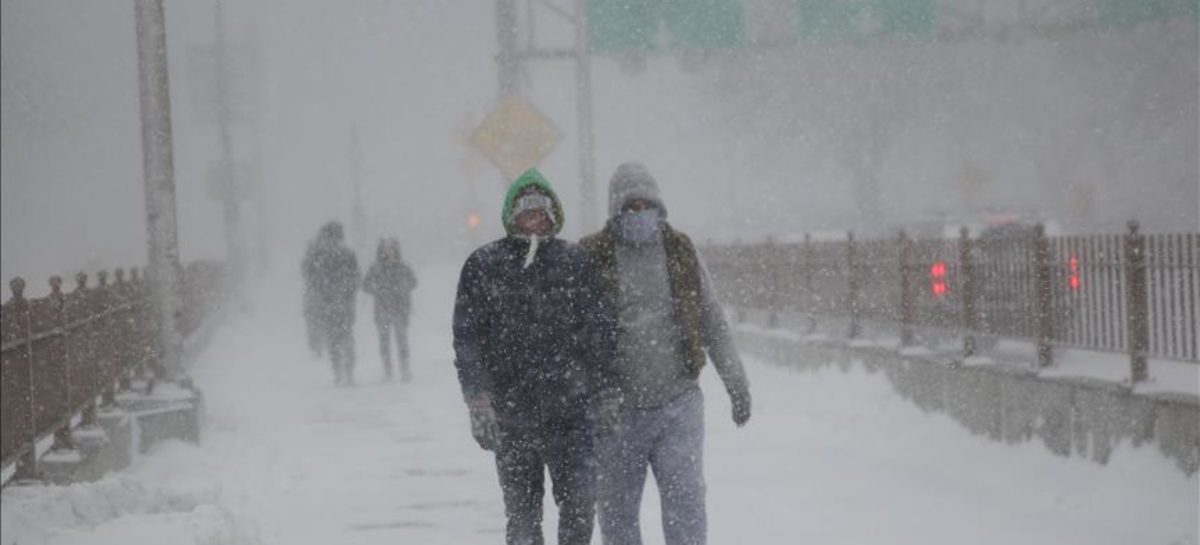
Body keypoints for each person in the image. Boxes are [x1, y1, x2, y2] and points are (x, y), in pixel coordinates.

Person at [580, 162, 752, 545]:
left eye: (646, 206)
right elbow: (571, 336)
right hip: (616, 412)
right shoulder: (591, 256)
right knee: (617, 514)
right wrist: (585, 394)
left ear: (659, 207)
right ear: (615, 212)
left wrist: (736, 383)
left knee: (686, 503)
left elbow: (713, 321)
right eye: (630, 207)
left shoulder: (680, 251)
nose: (639, 215)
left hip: (677, 404)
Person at [452, 168, 616, 545]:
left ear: (553, 214)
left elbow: (599, 335)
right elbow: (468, 340)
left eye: (540, 211)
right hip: (513, 418)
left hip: (571, 415)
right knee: (523, 523)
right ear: (511, 215)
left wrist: (605, 391)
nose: (533, 219)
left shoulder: (574, 263)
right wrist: (478, 400)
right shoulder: (483, 265)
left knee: (579, 509)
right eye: (525, 211)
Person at [301, 221, 361, 386]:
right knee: (345, 337)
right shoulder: (347, 254)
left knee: (334, 339)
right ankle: (347, 371)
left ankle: (339, 371)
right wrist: (347, 292)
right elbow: (356, 278)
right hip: (343, 303)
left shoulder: (319, 255)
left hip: (328, 303)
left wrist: (324, 292)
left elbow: (310, 277)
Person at [363, 237, 418, 382]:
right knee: (384, 341)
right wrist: (377, 291)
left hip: (399, 310)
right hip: (382, 310)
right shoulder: (375, 268)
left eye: (390, 249)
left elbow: (413, 282)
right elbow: (365, 285)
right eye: (385, 250)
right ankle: (388, 371)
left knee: (401, 340)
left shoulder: (402, 267)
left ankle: (404, 370)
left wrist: (402, 290)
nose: (388, 253)